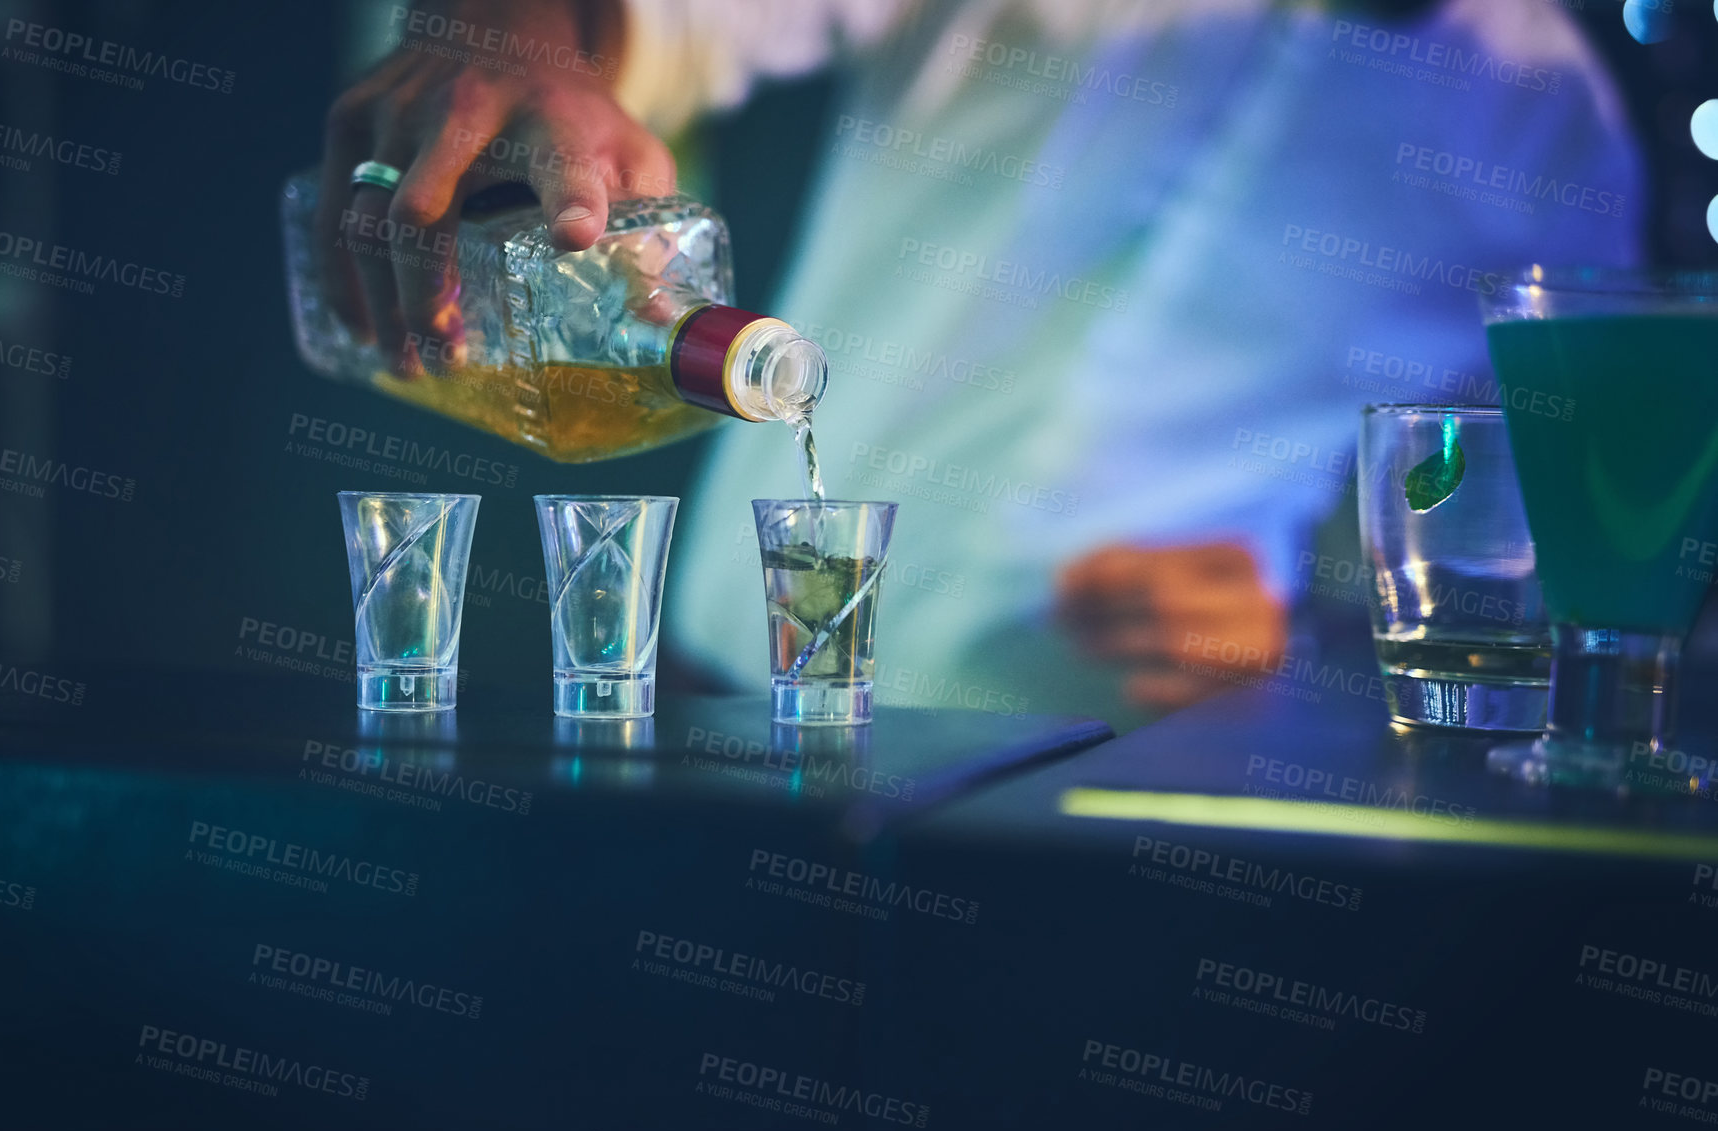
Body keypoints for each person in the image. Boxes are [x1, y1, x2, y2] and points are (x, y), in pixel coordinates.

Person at [318, 0, 1640, 729]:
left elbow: (1514, 583)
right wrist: (508, 41)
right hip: (725, 739)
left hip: (1127, 814)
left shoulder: (1559, 135)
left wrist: (1307, 660)